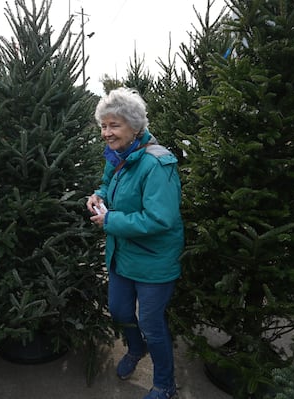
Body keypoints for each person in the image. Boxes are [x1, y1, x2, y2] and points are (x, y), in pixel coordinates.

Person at [86, 88, 184, 399]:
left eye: (113, 125)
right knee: (119, 310)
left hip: (154, 258)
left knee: (151, 323)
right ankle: (135, 347)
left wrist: (110, 221)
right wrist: (98, 195)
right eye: (103, 125)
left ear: (134, 126)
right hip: (122, 252)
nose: (106, 133)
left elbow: (160, 219)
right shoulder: (119, 154)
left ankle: (165, 385)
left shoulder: (157, 163)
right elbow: (107, 183)